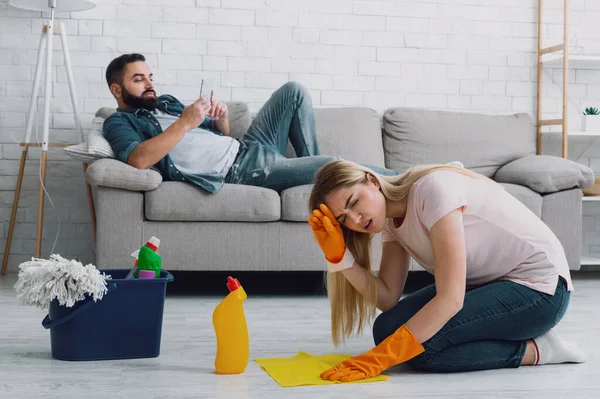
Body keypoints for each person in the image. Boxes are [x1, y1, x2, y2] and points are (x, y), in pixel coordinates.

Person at [308, 160, 586, 382]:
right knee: (386, 330)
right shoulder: (392, 223)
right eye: (343, 219)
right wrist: (340, 258)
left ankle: (539, 350)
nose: (355, 219)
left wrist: (380, 359)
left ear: (371, 180)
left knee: (422, 349)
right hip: (491, 284)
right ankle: (505, 332)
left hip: (541, 290)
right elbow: (388, 298)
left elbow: (451, 299)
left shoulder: (432, 190)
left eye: (354, 202)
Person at [102, 53, 395, 194]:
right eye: (139, 80)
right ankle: (403, 178)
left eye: (150, 77)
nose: (150, 85)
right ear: (117, 90)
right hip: (243, 170)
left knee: (293, 91)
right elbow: (138, 159)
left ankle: (312, 175)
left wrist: (221, 120)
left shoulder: (166, 102)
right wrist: (184, 124)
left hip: (249, 147)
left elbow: (216, 136)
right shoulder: (117, 122)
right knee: (333, 163)